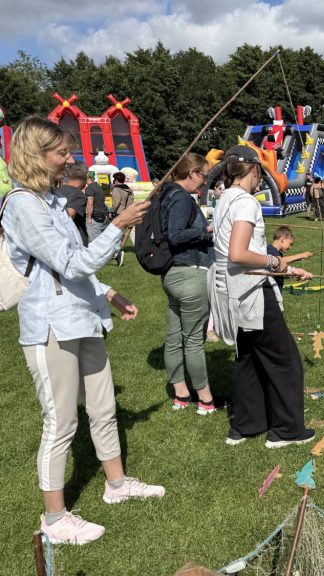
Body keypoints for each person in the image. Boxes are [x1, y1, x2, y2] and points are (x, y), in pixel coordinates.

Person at [3, 116, 164, 545]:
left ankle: (116, 485)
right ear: (36, 155)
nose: (70, 159)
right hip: (50, 326)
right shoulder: (21, 205)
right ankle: (54, 521)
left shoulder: (55, 201)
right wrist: (118, 224)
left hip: (82, 317)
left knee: (103, 405)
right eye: (62, 153)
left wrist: (110, 293)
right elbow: (70, 263)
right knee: (60, 422)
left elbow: (77, 263)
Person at [207, 145, 314, 447]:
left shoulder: (224, 198)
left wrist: (289, 271)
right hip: (251, 293)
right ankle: (286, 431)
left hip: (232, 293)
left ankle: (245, 425)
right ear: (253, 170)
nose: (260, 180)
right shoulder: (245, 202)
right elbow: (239, 253)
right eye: (260, 174)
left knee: (248, 357)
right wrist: (276, 262)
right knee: (286, 360)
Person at [158, 153, 217, 414]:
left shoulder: (167, 195)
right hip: (189, 273)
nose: (204, 182)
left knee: (174, 338)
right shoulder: (181, 197)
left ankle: (180, 393)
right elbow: (175, 235)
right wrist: (205, 230)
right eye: (203, 175)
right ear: (192, 173)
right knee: (193, 340)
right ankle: (205, 399)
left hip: (173, 275)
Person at [85, 170, 123, 266]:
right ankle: (115, 253)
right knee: (104, 240)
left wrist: (88, 218)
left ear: (87, 177)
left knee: (94, 242)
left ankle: (109, 256)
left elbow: (90, 203)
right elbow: (102, 203)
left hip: (95, 218)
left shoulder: (90, 188)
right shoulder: (99, 187)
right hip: (103, 217)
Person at [268, 226, 313, 291]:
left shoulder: (278, 253)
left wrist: (295, 273)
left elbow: (281, 270)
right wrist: (301, 255)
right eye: (290, 244)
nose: (290, 247)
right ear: (282, 239)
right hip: (269, 292)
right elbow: (280, 261)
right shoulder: (269, 250)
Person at [56, 160, 89, 246]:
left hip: (58, 242)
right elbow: (66, 219)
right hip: (75, 244)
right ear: (86, 175)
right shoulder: (79, 196)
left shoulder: (56, 191)